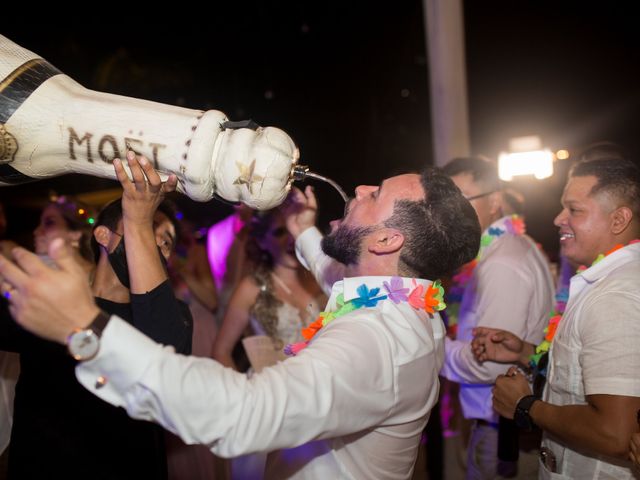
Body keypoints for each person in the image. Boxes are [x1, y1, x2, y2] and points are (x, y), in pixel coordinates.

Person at [0, 167, 480, 479]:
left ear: (387, 241)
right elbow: (329, 268)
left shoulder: (376, 341)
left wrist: (86, 325)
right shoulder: (402, 301)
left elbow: (243, 414)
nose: (359, 188)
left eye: (375, 195)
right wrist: (303, 230)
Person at [0, 152, 193, 479]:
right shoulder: (59, 297)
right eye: (143, 230)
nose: (157, 246)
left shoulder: (175, 314)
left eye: (166, 242)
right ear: (103, 235)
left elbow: (169, 366)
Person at [472, 156, 640, 478]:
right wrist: (523, 351)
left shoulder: (615, 295)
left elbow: (615, 432)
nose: (558, 218)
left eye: (574, 210)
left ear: (618, 220)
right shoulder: (604, 282)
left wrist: (525, 406)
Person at [438, 156, 554, 479]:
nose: (452, 212)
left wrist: (433, 346)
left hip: (503, 433)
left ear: (495, 201)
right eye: (446, 202)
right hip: (498, 426)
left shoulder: (502, 263)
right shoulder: (504, 249)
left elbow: (490, 364)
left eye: (463, 199)